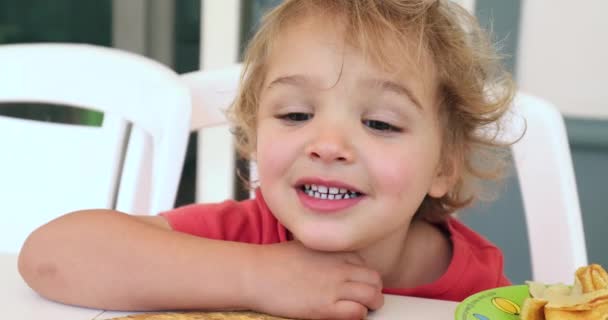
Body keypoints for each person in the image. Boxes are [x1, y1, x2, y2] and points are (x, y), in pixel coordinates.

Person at [18, 1, 516, 319]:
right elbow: (51, 256)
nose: (326, 144)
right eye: (296, 114)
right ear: (254, 136)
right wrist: (256, 276)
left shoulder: (477, 284)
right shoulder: (243, 235)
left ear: (444, 166)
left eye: (380, 124)